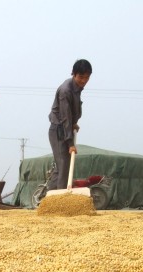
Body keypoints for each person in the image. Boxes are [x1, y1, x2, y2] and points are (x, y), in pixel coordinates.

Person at [47, 59, 92, 190]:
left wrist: (73, 124)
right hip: (58, 130)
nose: (84, 81)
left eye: (87, 77)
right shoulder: (65, 90)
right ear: (73, 74)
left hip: (65, 128)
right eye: (81, 77)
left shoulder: (77, 88)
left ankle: (49, 197)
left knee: (61, 167)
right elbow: (65, 117)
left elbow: (70, 114)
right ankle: (61, 198)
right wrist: (70, 143)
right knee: (63, 165)